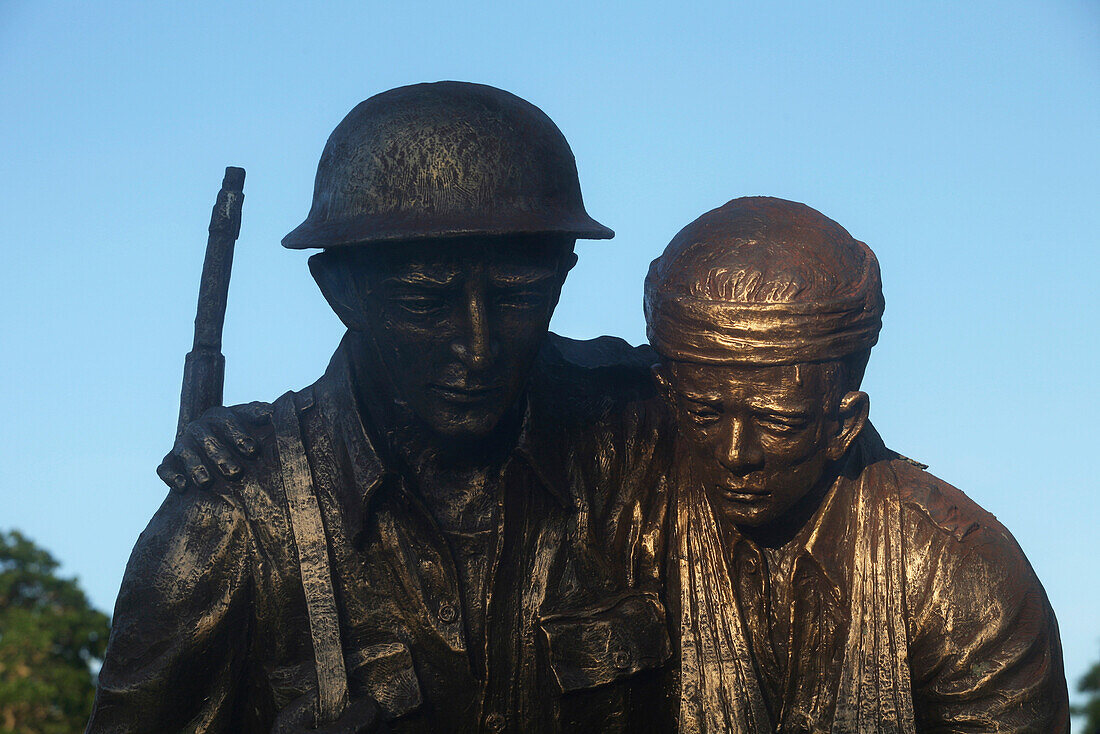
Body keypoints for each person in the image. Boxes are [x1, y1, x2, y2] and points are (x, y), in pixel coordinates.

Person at [87, 82, 673, 734]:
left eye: (518, 297)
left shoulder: (647, 442)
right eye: (426, 302)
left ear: (564, 272)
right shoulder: (235, 516)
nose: (477, 348)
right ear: (341, 292)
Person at [644, 196, 1070, 732]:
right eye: (705, 414)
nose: (735, 455)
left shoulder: (961, 577)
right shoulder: (618, 502)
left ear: (844, 423)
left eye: (778, 424)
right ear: (667, 394)